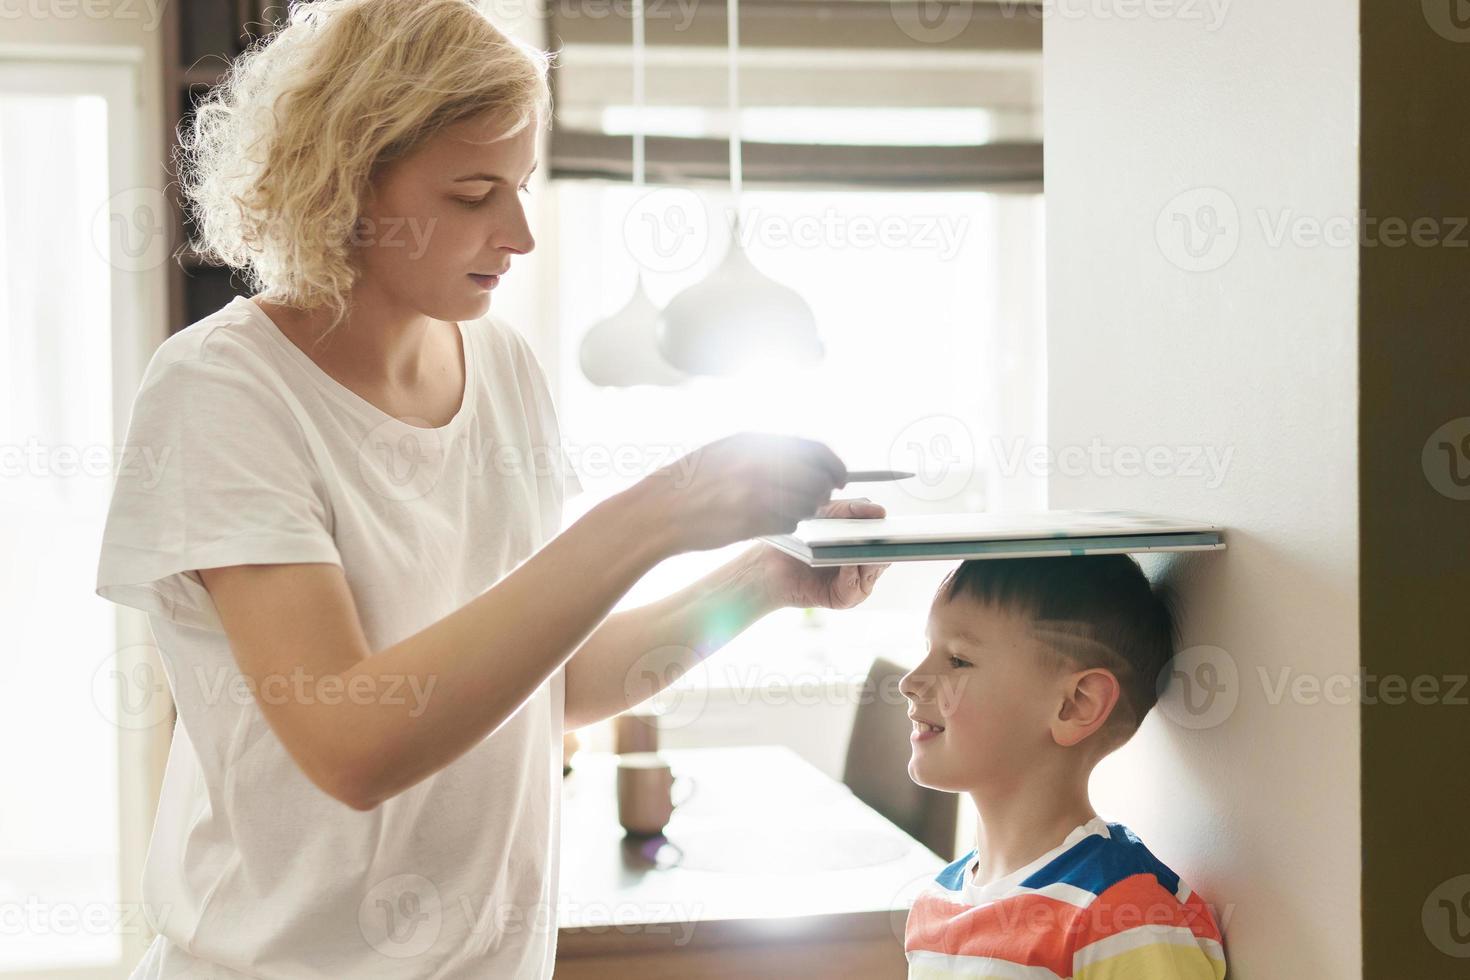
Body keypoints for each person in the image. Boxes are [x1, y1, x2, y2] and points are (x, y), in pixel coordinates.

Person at [93, 1, 888, 976]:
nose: (518, 233)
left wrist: (763, 580)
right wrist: (656, 513)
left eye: (520, 186)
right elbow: (352, 742)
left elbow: (551, 685)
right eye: (474, 192)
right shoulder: (224, 390)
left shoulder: (505, 367)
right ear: (341, 183)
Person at [900, 555, 1227, 978]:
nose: (909, 681)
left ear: (1076, 705)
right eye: (927, 650)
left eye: (958, 660)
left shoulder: (1124, 912)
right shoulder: (937, 901)